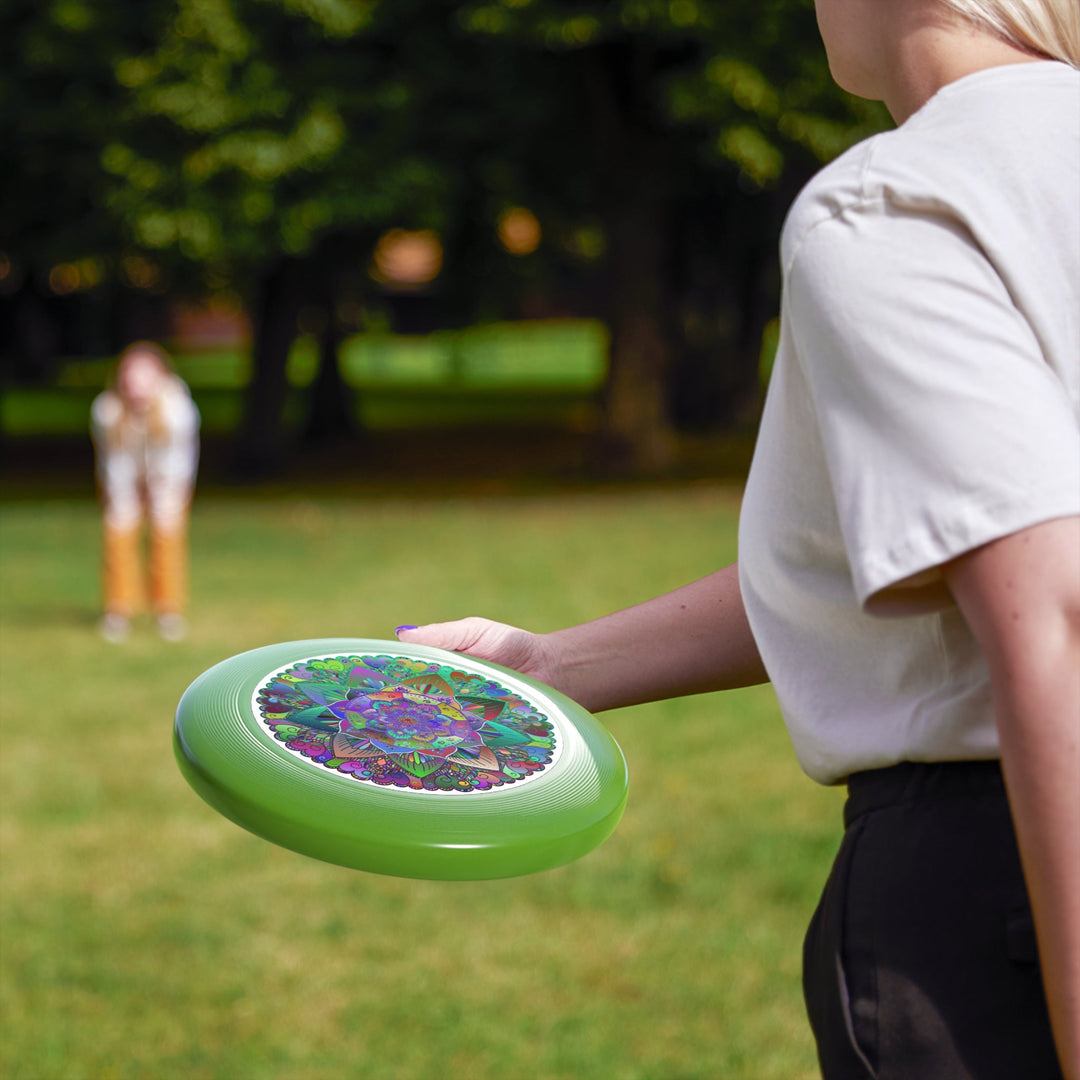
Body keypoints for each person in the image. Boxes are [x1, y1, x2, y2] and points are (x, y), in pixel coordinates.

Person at [395, 2, 1080, 1077]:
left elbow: (1055, 615)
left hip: (1003, 889)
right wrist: (550, 666)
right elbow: (915, 552)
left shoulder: (900, 202)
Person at [91, 341, 200, 642]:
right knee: (118, 531)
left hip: (168, 479)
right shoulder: (107, 410)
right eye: (130, 377)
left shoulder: (178, 410)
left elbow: (177, 460)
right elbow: (114, 460)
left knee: (167, 535)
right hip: (123, 478)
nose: (136, 385)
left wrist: (160, 492)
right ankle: (118, 610)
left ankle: (168, 610)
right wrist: (126, 496)